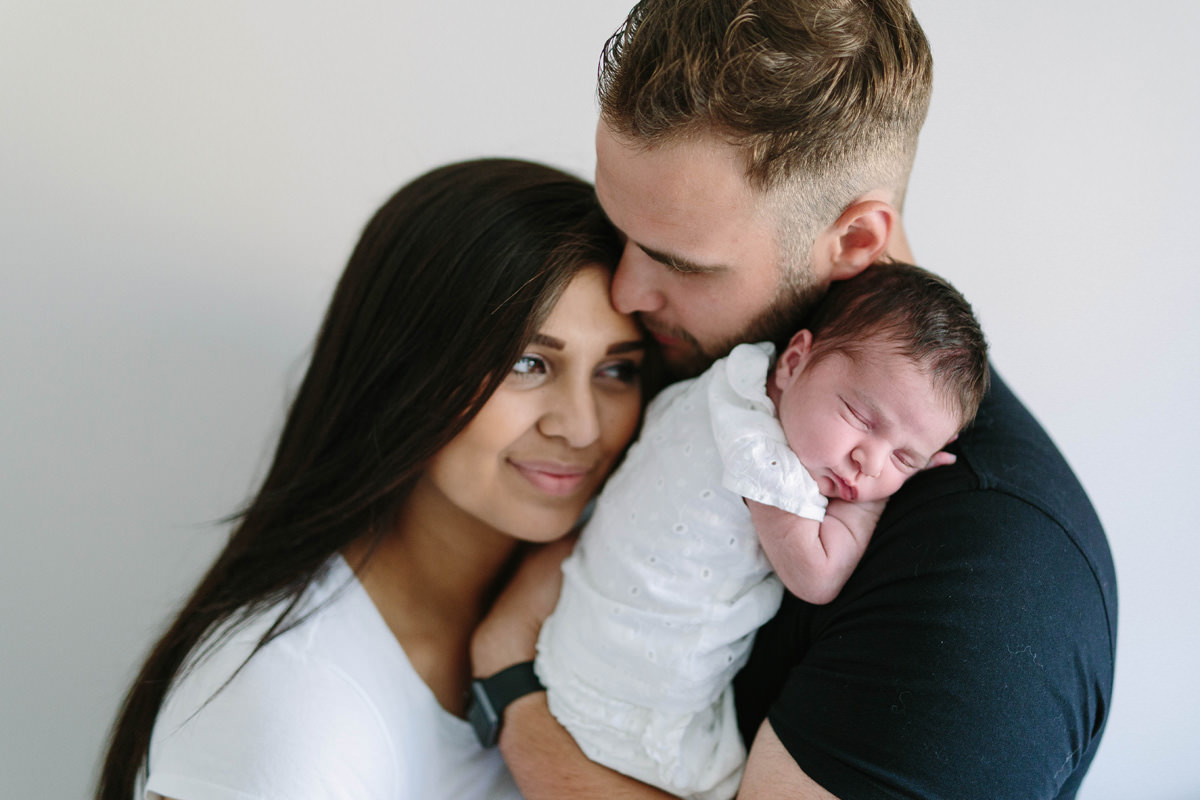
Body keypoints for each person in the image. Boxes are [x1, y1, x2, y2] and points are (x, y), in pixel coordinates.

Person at [470, 2, 1118, 799]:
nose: (627, 290)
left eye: (684, 264)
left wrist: (507, 686)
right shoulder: (711, 363)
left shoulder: (994, 588)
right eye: (622, 235)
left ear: (852, 241)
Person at [95, 158, 649, 800]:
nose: (582, 427)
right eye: (528, 362)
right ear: (407, 368)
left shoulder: (603, 611)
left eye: (617, 371)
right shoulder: (294, 710)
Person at [536, 263, 988, 799]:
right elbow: (816, 576)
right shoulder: (761, 454)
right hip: (637, 692)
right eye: (861, 419)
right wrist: (875, 504)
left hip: (581, 634)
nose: (868, 463)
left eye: (905, 459)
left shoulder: (732, 378)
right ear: (795, 361)